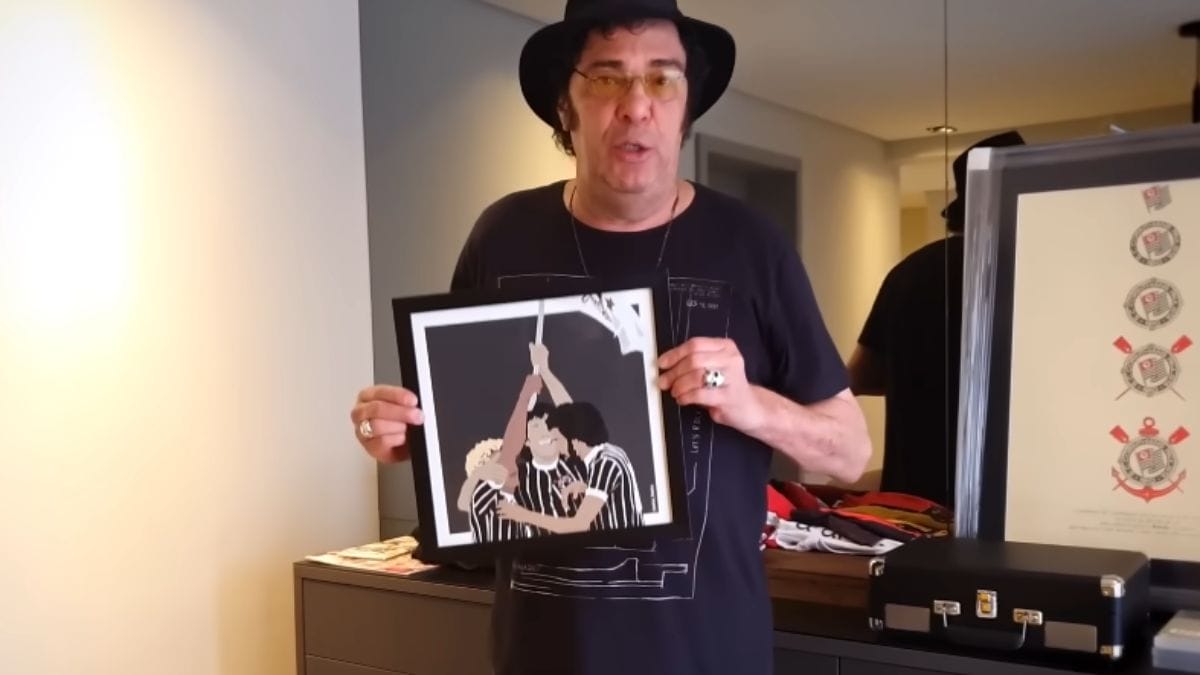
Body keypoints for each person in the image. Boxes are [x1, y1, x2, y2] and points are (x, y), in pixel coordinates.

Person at [349, 1, 871, 672]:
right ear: (564, 107)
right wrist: (400, 436)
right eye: (605, 77)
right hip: (540, 657)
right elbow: (459, 425)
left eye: (662, 78)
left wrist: (750, 403)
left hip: (707, 657)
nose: (636, 105)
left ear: (685, 106)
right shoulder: (502, 234)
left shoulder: (752, 246)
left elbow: (850, 453)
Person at [847, 130, 1025, 510]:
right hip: (1012, 501)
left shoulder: (909, 271)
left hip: (913, 501)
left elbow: (858, 378)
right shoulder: (1029, 268)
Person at [498, 400, 644, 533]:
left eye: (557, 439)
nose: (555, 444)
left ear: (573, 439)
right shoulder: (611, 452)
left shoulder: (604, 463)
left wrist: (522, 515)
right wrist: (586, 488)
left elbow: (579, 525)